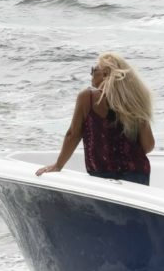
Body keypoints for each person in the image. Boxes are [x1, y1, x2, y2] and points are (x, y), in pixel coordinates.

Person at [37, 53, 156, 183]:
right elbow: (148, 146)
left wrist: (58, 165)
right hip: (137, 174)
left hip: (102, 174)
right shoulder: (135, 104)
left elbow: (73, 134)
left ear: (106, 73)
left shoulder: (87, 97)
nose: (91, 74)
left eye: (94, 70)